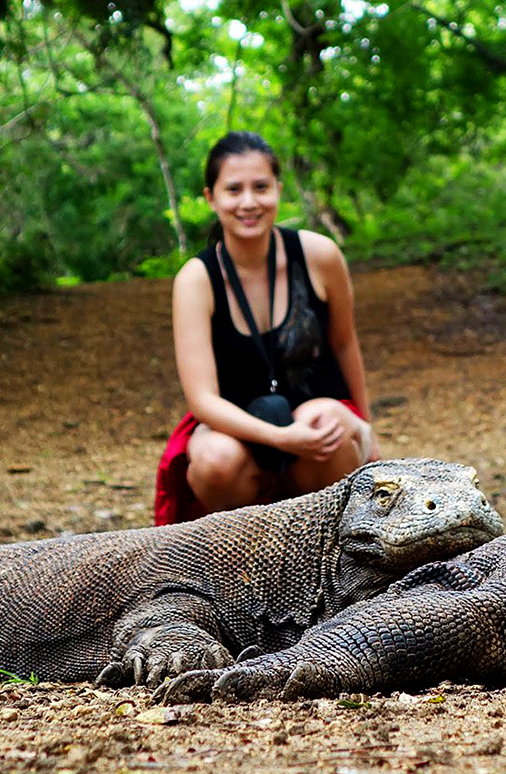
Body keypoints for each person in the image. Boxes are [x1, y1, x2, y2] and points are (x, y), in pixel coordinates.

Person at [153, 131, 378, 525]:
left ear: (278, 189)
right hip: (237, 433)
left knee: (329, 419)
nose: (248, 202)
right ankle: (245, 546)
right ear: (211, 198)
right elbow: (202, 399)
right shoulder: (196, 280)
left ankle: (328, 537)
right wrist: (279, 437)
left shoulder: (319, 255)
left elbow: (344, 344)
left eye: (261, 187)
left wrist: (367, 429)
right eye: (233, 189)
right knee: (212, 459)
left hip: (317, 436)